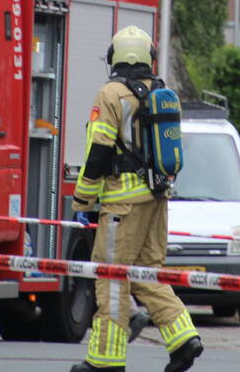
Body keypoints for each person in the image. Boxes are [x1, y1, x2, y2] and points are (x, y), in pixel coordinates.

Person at [70, 25, 203, 372]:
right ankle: (184, 337)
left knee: (112, 277)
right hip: (156, 199)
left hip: (122, 205)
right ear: (148, 56)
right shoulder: (161, 92)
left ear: (115, 56)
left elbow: (99, 151)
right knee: (147, 273)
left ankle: (106, 360)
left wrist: (82, 199)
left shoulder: (110, 94)